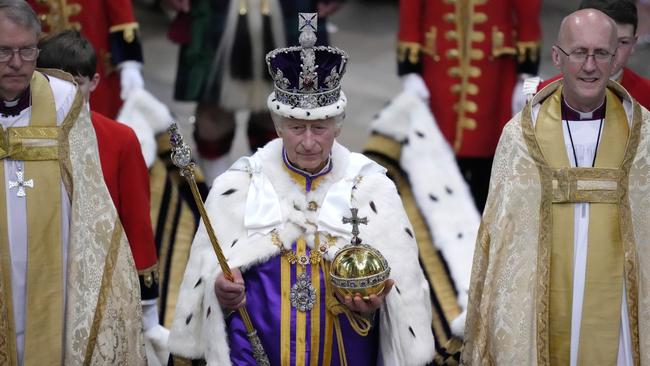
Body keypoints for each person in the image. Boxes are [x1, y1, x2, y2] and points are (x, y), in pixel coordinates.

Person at [167, 13, 435, 365]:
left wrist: (373, 305)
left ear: (338, 126)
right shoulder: (238, 188)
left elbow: (403, 308)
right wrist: (221, 293)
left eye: (320, 128)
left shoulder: (371, 189)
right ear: (277, 126)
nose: (308, 142)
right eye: (296, 128)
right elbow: (204, 295)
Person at [462, 9, 650, 365]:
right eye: (579, 52)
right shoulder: (520, 137)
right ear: (556, 56)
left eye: (601, 54)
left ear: (616, 57)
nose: (590, 66)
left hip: (620, 314)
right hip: (539, 310)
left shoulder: (643, 138)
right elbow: (500, 240)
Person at [0, 1, 145, 364]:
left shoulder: (63, 99)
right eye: (3, 51)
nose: (17, 62)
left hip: (54, 273)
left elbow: (92, 201)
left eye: (27, 50)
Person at [35, 29, 170, 364]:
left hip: (101, 283)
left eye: (76, 83)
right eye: (55, 84)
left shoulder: (120, 139)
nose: (65, 94)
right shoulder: (28, 137)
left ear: (94, 82)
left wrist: (148, 306)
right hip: (41, 274)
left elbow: (137, 221)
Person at [163, 0, 343, 184]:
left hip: (298, 7)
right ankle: (214, 191)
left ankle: (273, 187)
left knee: (285, 106)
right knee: (213, 111)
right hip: (214, 8)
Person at [397, 0, 542, 212]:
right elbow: (411, 7)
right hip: (438, 67)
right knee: (437, 155)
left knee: (490, 159)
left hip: (495, 70)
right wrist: (409, 68)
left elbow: (527, 7)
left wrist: (527, 71)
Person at [27, 0, 145, 118]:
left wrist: (128, 62)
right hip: (42, 56)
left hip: (92, 56)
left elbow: (121, 9)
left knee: (97, 117)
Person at [534, 0, 650, 109]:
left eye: (623, 42)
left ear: (634, 44)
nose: (613, 51)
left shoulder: (647, 95)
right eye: (603, 41)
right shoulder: (542, 97)